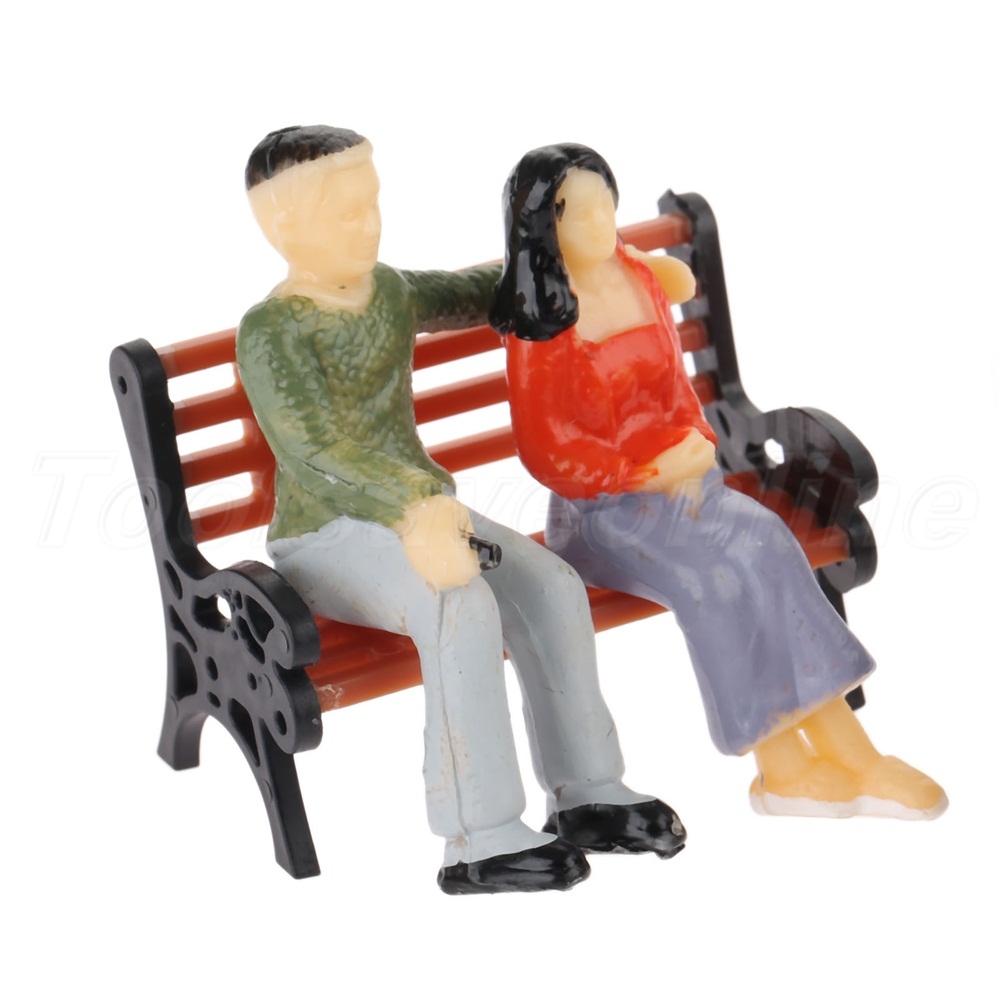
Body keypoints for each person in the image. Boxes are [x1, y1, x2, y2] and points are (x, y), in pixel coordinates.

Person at [236, 126, 685, 895]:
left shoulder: (389, 291)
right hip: (328, 536)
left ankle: (589, 793)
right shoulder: (274, 329)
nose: (368, 225)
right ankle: (477, 836)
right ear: (282, 225)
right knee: (458, 604)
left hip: (423, 515)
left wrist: (603, 262)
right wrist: (414, 502)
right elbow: (314, 450)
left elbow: (480, 290)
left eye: (371, 204)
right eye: (345, 213)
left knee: (550, 585)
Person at [490, 143, 947, 821]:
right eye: (574, 213)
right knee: (715, 579)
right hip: (603, 512)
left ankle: (853, 754)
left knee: (770, 546)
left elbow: (678, 392)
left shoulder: (639, 280)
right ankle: (783, 766)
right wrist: (641, 471)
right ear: (541, 226)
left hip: (688, 485)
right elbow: (548, 448)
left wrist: (696, 447)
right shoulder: (542, 325)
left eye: (604, 205)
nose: (597, 223)